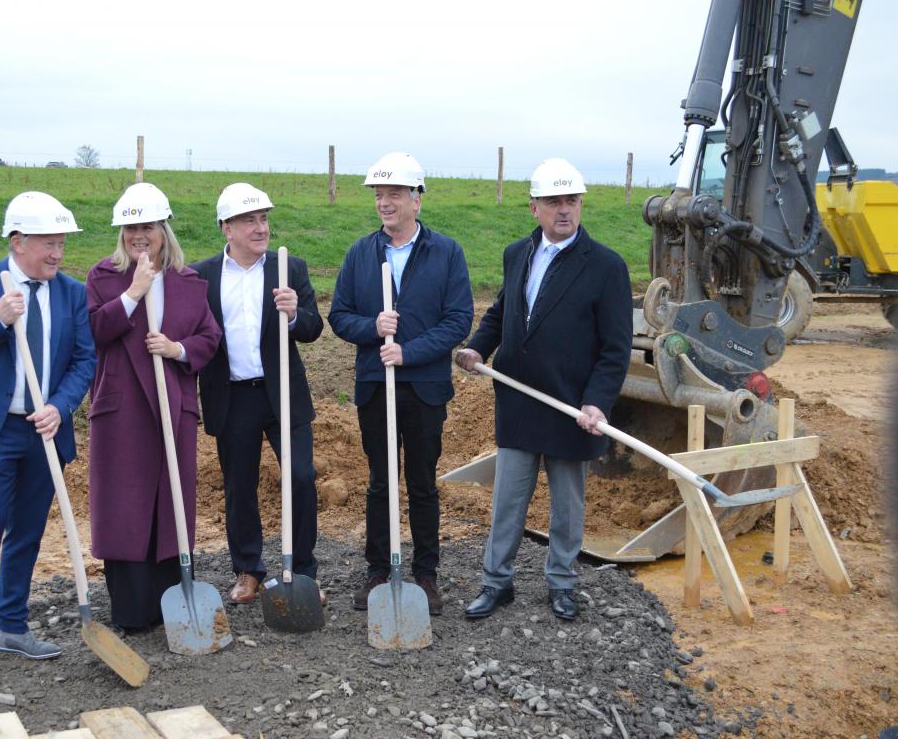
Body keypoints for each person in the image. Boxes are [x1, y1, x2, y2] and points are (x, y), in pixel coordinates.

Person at [455, 158, 632, 621]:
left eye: (572, 200)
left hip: (571, 407)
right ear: (534, 207)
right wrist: (477, 348)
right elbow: (501, 312)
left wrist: (597, 402)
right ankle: (496, 582)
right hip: (518, 399)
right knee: (507, 501)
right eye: (554, 201)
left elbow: (616, 349)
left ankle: (562, 584)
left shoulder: (606, 266)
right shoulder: (518, 253)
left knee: (567, 507)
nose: (564, 209)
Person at [0, 191, 96, 684]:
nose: (58, 253)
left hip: (44, 430)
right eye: (49, 243)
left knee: (27, 531)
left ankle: (11, 626)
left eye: (62, 243)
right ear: (18, 241)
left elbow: (84, 360)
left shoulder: (71, 293)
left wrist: (60, 407)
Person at [328, 152, 473, 615]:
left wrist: (409, 352)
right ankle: (377, 570)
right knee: (380, 481)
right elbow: (339, 316)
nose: (384, 203)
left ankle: (426, 575)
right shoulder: (361, 253)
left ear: (417, 199)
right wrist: (373, 327)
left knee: (422, 482)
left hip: (425, 386)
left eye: (394, 194)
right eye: (379, 195)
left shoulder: (446, 252)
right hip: (376, 385)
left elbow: (458, 320)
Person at [85, 183, 221, 631]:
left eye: (147, 227)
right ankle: (132, 609)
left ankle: (171, 601)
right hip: (122, 410)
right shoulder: (104, 277)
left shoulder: (188, 282)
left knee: (170, 501)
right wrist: (133, 293)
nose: (138, 235)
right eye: (130, 228)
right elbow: (94, 332)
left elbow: (209, 337)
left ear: (164, 231)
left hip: (173, 406)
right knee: (125, 505)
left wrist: (176, 349)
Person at [190, 182, 325, 606]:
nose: (260, 227)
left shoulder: (290, 268)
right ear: (226, 228)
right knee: (239, 486)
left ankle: (303, 571)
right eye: (249, 220)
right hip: (232, 395)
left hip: (283, 391)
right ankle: (248, 569)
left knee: (301, 477)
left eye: (263, 218)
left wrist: (294, 314)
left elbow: (313, 329)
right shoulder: (201, 276)